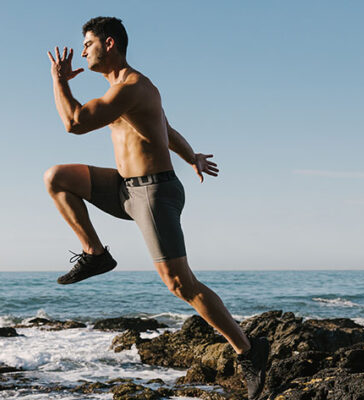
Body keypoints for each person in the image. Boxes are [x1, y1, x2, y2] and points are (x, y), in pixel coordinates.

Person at [45, 17, 269, 398]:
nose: (82, 50)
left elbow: (75, 122)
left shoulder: (134, 86)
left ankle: (249, 351)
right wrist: (192, 155)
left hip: (154, 193)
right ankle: (94, 253)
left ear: (109, 43)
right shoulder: (120, 89)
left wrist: (60, 81)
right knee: (57, 177)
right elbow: (165, 129)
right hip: (125, 188)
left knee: (180, 284)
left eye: (88, 43)